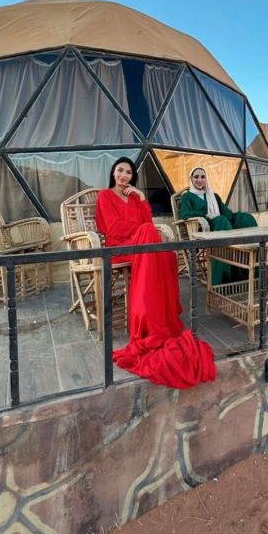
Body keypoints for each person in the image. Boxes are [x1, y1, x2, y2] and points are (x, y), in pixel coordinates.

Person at [95, 157, 216, 390]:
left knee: (167, 255)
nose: (123, 176)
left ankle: (158, 317)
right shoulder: (105, 196)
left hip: (140, 244)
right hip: (119, 247)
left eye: (128, 172)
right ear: (113, 173)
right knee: (149, 236)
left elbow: (146, 220)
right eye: (120, 171)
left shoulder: (134, 197)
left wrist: (141, 199)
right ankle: (148, 320)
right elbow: (111, 228)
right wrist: (141, 231)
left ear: (132, 177)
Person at [179, 166, 258, 285]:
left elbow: (226, 212)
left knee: (247, 219)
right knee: (222, 221)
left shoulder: (213, 195)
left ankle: (254, 271)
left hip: (220, 224)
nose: (199, 180)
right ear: (191, 179)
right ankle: (225, 278)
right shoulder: (186, 197)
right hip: (203, 229)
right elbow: (185, 214)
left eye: (202, 177)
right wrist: (206, 215)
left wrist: (239, 216)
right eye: (196, 177)